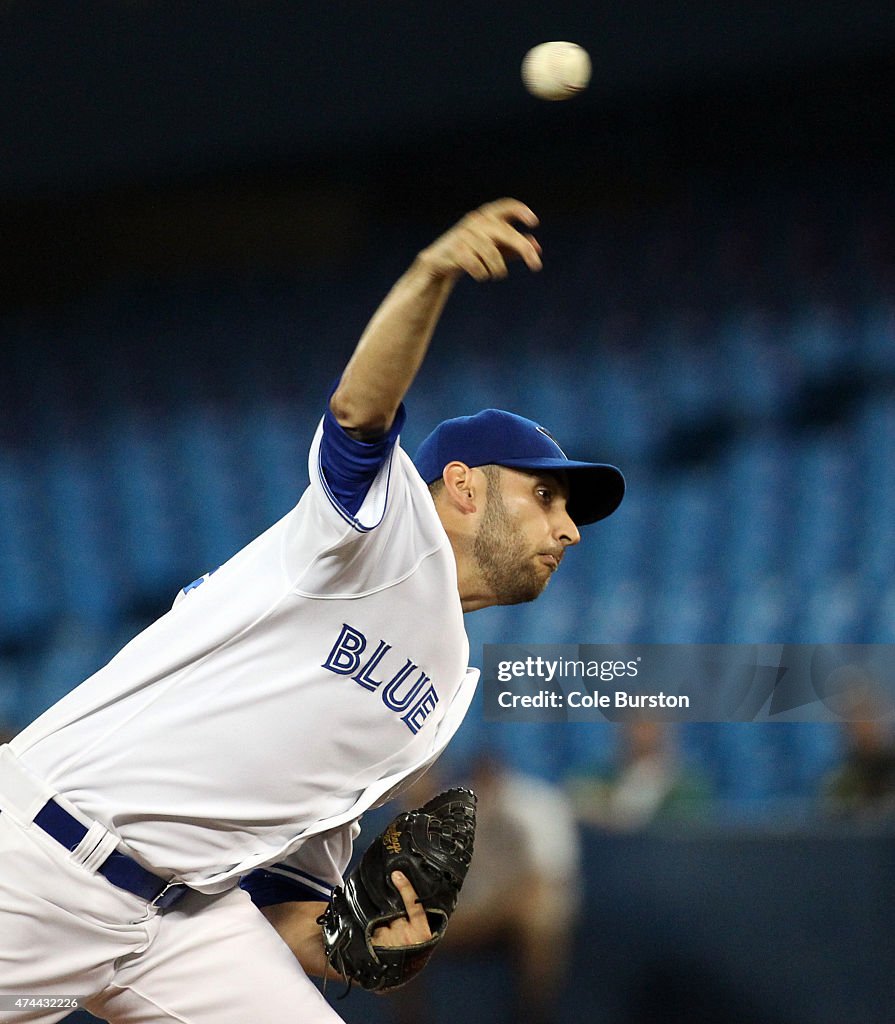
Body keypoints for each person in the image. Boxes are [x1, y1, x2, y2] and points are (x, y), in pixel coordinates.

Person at [0, 199, 624, 1024]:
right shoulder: (377, 532)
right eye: (545, 494)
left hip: (185, 921)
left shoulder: (439, 687)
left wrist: (361, 944)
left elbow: (290, 903)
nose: (569, 527)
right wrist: (427, 276)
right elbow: (360, 415)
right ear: (463, 486)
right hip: (44, 858)